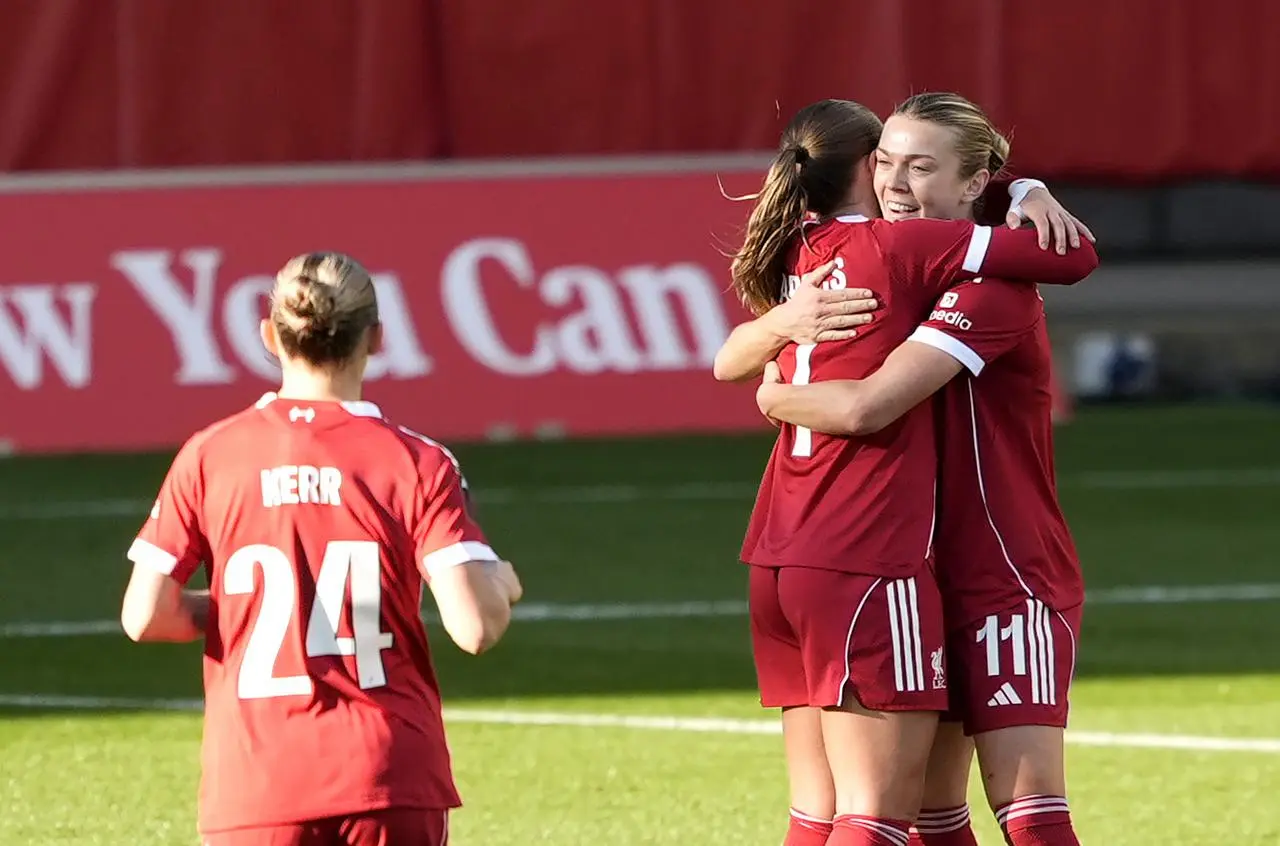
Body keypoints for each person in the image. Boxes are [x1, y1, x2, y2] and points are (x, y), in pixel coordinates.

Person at [724, 99, 1097, 846]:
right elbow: (857, 402)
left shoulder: (978, 280)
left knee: (1004, 810)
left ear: (977, 184)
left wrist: (773, 388)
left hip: (1002, 568)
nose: (895, 181)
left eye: (918, 166)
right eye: (884, 161)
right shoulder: (907, 255)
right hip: (896, 562)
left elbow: (853, 398)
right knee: (895, 815)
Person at [119, 252, 523, 846]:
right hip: (387, 779)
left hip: (257, 786)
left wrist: (247, 605)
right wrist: (501, 581)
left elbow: (144, 616)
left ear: (269, 336)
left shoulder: (210, 454)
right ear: (377, 339)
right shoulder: (416, 461)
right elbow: (475, 627)